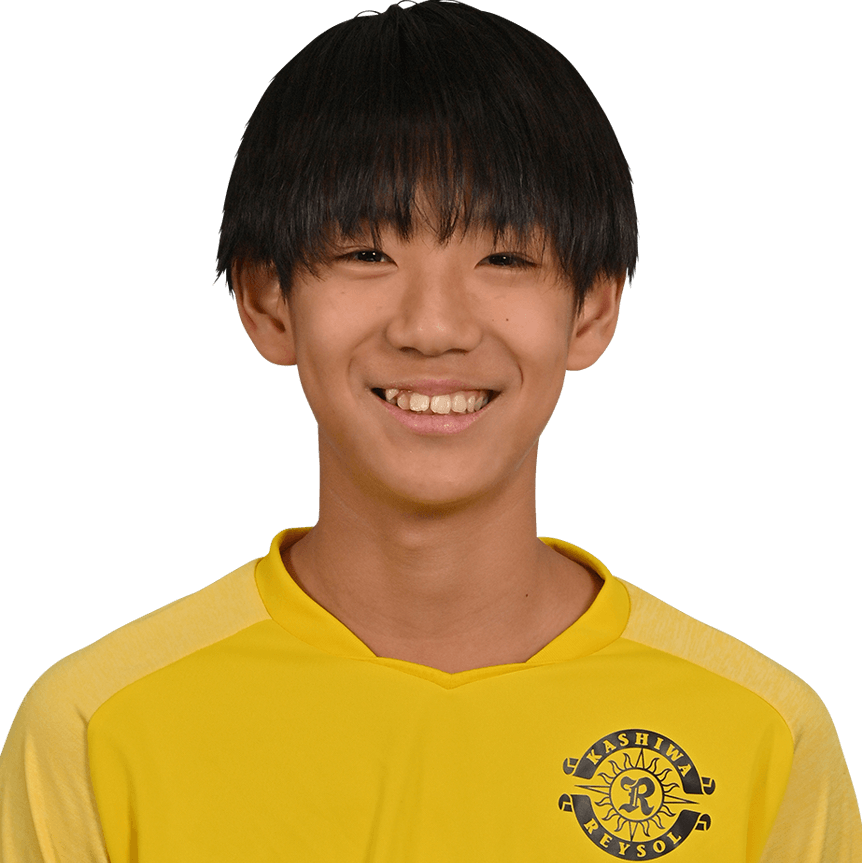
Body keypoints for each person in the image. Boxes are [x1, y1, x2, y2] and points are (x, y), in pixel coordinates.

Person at [1, 2, 858, 860]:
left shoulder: (764, 736)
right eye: (367, 254)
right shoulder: (97, 727)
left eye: (505, 258)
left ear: (594, 309)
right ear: (267, 300)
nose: (433, 327)